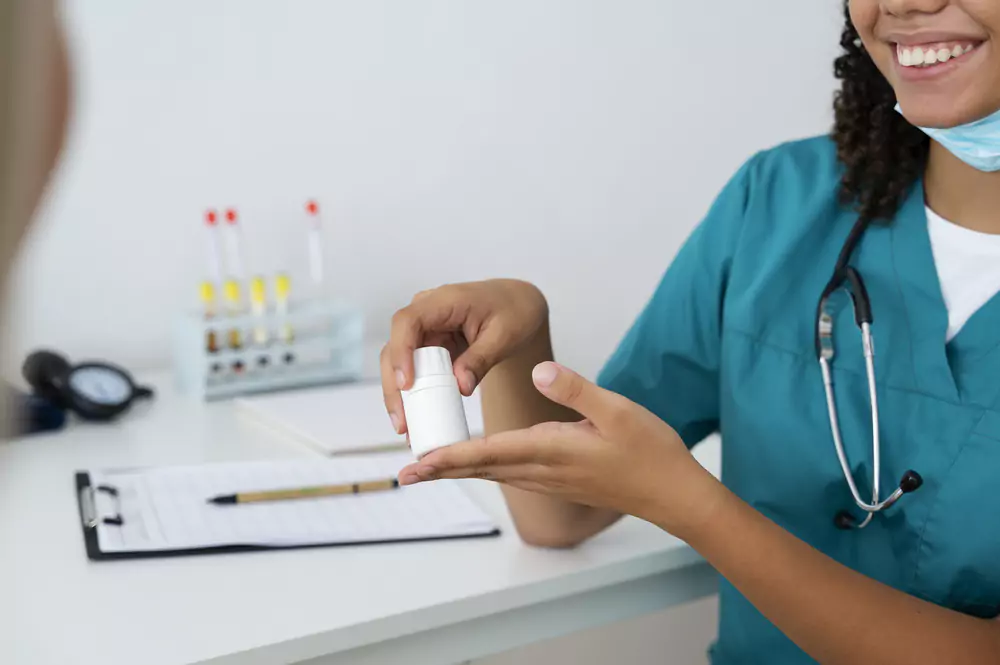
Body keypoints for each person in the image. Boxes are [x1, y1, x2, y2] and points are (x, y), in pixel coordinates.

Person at [384, 1, 1000, 663]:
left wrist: (693, 505)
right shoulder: (777, 206)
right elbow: (558, 516)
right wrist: (521, 340)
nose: (906, 2)